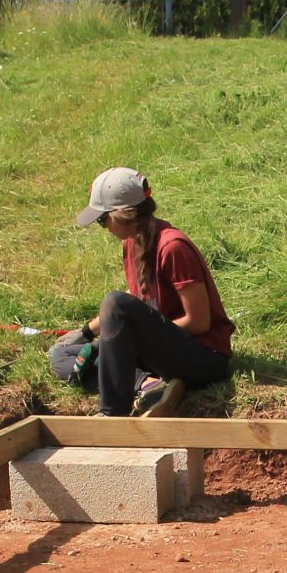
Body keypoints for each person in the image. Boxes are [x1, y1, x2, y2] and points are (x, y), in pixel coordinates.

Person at [69, 166, 234, 416]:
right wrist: (85, 333)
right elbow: (136, 297)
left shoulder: (173, 247)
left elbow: (199, 322)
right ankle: (149, 385)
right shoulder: (132, 243)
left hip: (204, 357)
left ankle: (112, 413)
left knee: (114, 303)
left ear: (124, 214)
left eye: (103, 220)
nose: (104, 228)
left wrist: (141, 339)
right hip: (162, 353)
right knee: (63, 357)